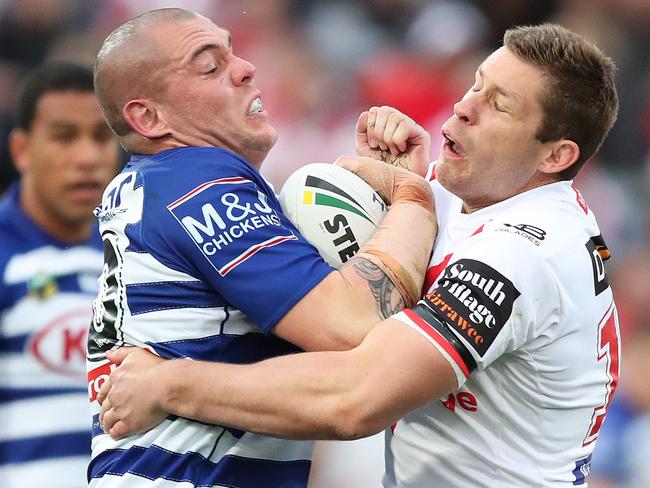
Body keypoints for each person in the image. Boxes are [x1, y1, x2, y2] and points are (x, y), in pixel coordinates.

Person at [99, 23, 622, 487]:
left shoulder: (526, 251)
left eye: (499, 105)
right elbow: (402, 216)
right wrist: (393, 203)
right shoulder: (465, 194)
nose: (464, 106)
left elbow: (356, 395)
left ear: (556, 155)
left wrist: (169, 383)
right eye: (476, 85)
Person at [86, 7, 436, 487]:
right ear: (148, 117)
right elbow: (352, 329)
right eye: (209, 66)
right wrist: (413, 198)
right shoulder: (198, 181)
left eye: (233, 51)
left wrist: (378, 208)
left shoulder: (152, 185)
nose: (246, 67)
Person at [0, 62, 119, 487]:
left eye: (102, 137)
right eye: (64, 137)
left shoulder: (138, 254)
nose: (87, 157)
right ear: (21, 151)